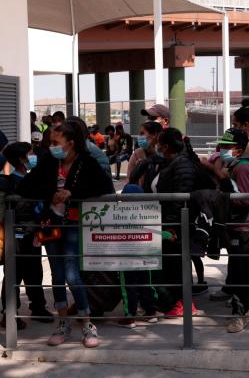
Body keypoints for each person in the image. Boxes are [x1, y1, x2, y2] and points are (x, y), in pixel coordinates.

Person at [18, 122, 115, 348]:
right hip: (50, 225)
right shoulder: (48, 162)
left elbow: (104, 186)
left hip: (72, 224)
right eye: (50, 142)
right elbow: (25, 187)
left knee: (72, 274)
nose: (51, 146)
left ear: (70, 143)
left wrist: (73, 193)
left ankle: (87, 323)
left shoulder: (86, 162)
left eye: (55, 142)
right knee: (57, 276)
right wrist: (50, 194)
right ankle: (63, 323)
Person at [154, 128, 206, 317]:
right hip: (170, 222)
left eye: (159, 143)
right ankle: (177, 302)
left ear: (166, 146)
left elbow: (179, 198)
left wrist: (171, 225)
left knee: (178, 264)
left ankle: (184, 304)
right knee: (173, 264)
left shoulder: (181, 164)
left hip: (177, 224)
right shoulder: (170, 162)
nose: (156, 146)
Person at [0, 142, 52, 329]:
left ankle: (38, 307)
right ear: (21, 159)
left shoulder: (28, 178)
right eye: (30, 154)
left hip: (32, 233)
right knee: (14, 272)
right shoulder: (10, 182)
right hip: (17, 233)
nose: (34, 157)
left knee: (34, 271)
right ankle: (9, 313)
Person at [215, 128, 249, 333]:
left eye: (227, 146)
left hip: (243, 227)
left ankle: (240, 313)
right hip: (243, 226)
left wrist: (226, 184)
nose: (222, 149)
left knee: (241, 271)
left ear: (239, 150)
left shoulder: (241, 168)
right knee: (241, 268)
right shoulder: (242, 165)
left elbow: (245, 199)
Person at [117, 183, 159, 328]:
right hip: (144, 256)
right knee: (146, 283)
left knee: (128, 286)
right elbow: (156, 232)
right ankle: (151, 312)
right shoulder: (146, 215)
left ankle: (130, 317)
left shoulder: (118, 216)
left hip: (125, 258)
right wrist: (167, 235)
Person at [127, 121, 164, 191]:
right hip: (140, 197)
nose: (139, 137)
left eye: (142, 133)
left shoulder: (164, 155)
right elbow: (129, 179)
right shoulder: (137, 154)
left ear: (154, 135)